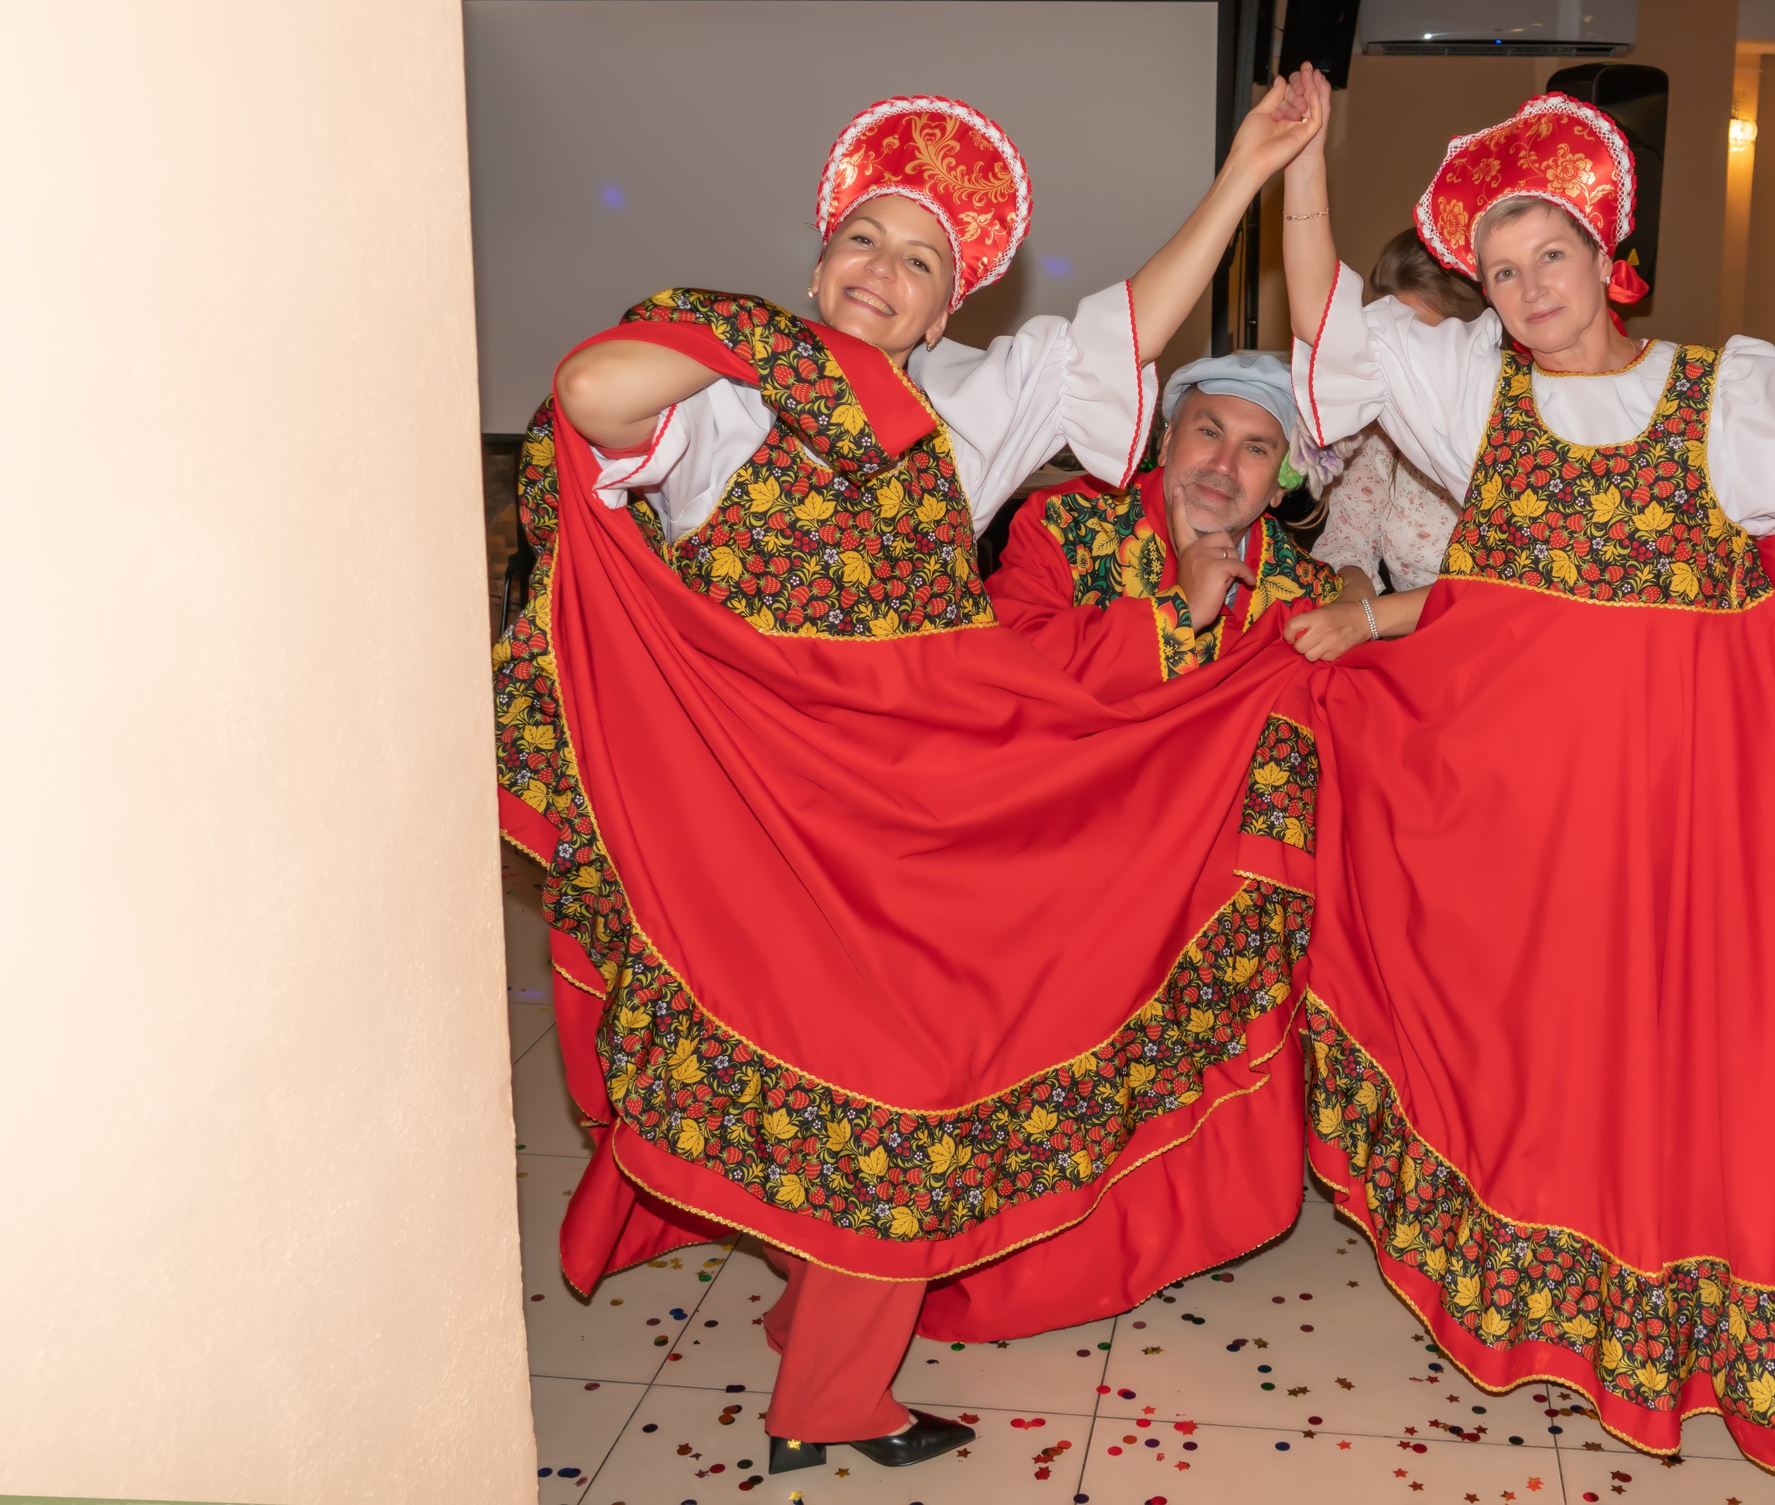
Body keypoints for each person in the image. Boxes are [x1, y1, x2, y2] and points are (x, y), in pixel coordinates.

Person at [495, 79, 1331, 1474]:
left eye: (921, 261)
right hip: (758, 806)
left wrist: (1247, 170)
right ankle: (832, 1390)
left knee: (918, 1083)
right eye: (863, 244)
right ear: (818, 257)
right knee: (841, 1082)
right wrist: (769, 340)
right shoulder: (729, 400)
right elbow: (589, 393)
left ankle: (832, 1388)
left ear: (951, 310)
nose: (884, 275)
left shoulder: (976, 403)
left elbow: (1134, 319)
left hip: (914, 811)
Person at [1282, 85, 1775, 1476]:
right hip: (1518, 810)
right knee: (1538, 1059)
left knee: (1672, 1066)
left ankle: (1679, 1323)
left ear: (1609, 253)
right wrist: (1300, 168)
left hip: (1684, 817)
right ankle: (1547, 1295)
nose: (1529, 287)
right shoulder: (1475, 386)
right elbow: (1324, 329)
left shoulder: (1730, 389)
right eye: (1501, 266)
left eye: (1551, 253)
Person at [989, 349, 1370, 689]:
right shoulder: (1064, 521)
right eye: (1208, 432)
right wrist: (1179, 610)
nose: (1224, 464)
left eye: (1255, 449)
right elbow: (1006, 666)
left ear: (1279, 488)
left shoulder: (1304, 592)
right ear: (1167, 443)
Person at [1310, 231, 1477, 629]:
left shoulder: (1519, 427)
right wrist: (1352, 596)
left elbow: (1497, 587)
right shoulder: (1382, 430)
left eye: (1419, 341)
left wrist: (1368, 619)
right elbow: (1349, 537)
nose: (1402, 362)